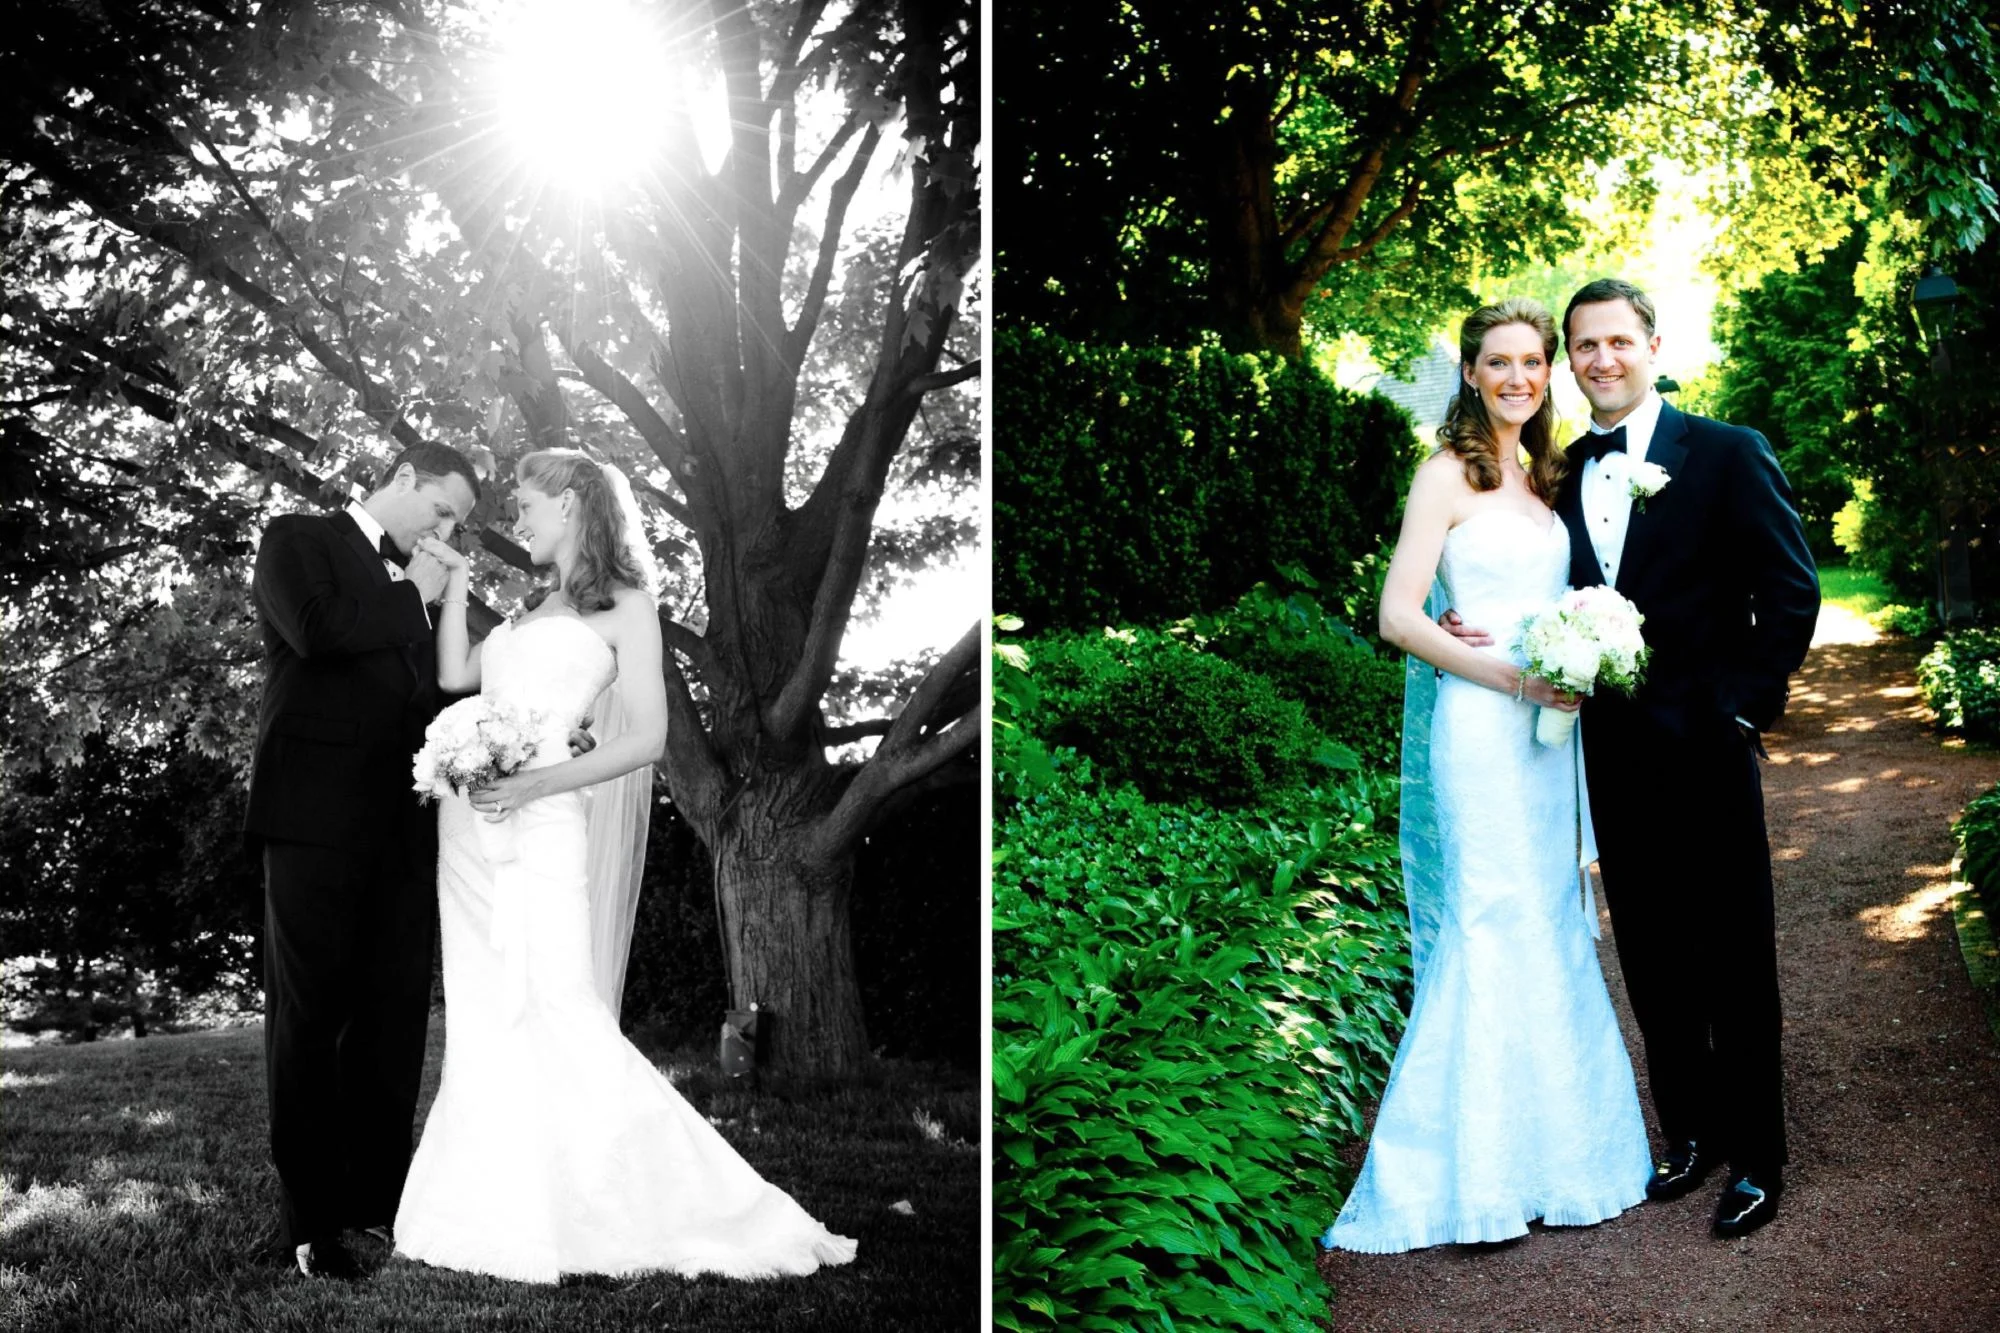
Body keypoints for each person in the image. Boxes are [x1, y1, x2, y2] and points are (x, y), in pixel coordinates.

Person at [391, 448, 858, 1283]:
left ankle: (674, 1203)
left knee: (559, 1005)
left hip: (543, 825)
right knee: (486, 1013)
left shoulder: (628, 608)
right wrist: (459, 578)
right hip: (470, 837)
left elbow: (642, 738)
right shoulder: (529, 610)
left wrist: (536, 781)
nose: (519, 520)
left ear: (571, 504)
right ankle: (496, 1206)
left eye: (529, 505)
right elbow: (457, 674)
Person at [1445, 278, 1819, 1238]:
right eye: (1583, 346)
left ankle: (1758, 1157)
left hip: (1706, 745)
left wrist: (1741, 708)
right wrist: (1470, 622)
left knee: (1734, 951)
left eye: (1616, 341)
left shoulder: (1729, 453)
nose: (1599, 359)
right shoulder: (1563, 470)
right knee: (1653, 951)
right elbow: (1534, 582)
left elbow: (1790, 590)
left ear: (1653, 344)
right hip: (1605, 752)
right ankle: (1688, 1129)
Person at [1322, 298, 1653, 1253]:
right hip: (1481, 725)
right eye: (1498, 362)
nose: (1518, 377)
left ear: (1549, 374)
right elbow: (1398, 617)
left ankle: (1566, 1157)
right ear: (1470, 373)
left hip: (1549, 738)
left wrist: (1583, 655)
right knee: (1486, 916)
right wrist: (1513, 672)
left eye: (1533, 362)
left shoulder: (1547, 477)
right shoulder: (1444, 475)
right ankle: (1468, 1174)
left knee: (1548, 917)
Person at [245, 442, 480, 1278]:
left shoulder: (425, 591)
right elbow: (313, 631)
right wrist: (410, 593)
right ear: (405, 479)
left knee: (392, 1019)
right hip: (309, 818)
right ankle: (311, 1223)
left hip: (405, 826)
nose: (448, 530)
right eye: (444, 509)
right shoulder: (296, 538)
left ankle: (379, 1206)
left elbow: (439, 692)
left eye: (458, 522)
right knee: (308, 1020)